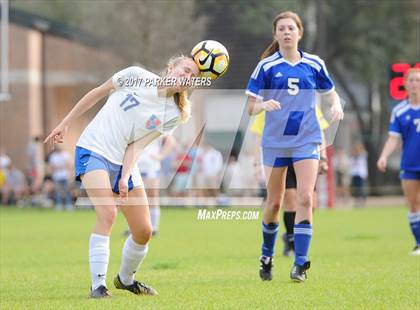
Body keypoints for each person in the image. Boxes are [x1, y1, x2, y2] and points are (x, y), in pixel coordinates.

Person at [44, 55, 199, 298]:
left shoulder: (175, 114)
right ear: (171, 66)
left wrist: (125, 175)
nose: (187, 77)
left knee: (144, 230)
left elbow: (136, 147)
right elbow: (98, 92)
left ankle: (126, 280)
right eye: (185, 70)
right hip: (93, 149)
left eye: (193, 76)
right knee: (108, 214)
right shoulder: (136, 75)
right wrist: (65, 123)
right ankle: (97, 287)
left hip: (122, 160)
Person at [246, 11, 343, 282]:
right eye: (281, 29)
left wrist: (335, 104)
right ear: (275, 35)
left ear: (299, 32)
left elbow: (330, 91)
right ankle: (267, 254)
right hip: (276, 143)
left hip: (306, 139)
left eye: (291, 28)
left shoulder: (314, 64)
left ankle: (300, 263)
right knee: (275, 203)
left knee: (305, 198)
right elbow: (251, 106)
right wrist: (263, 105)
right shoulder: (265, 67)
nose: (287, 32)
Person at [249, 105, 329, 259]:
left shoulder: (307, 99)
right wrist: (257, 163)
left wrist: (323, 157)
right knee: (290, 200)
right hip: (280, 155)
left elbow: (320, 132)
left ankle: (292, 236)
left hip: (306, 155)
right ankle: (292, 241)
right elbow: (258, 136)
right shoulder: (270, 103)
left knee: (309, 202)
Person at [377, 68, 420, 256]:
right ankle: (419, 244)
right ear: (405, 83)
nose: (414, 83)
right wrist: (384, 156)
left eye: (418, 80)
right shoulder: (399, 110)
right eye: (411, 80)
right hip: (410, 164)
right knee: (413, 203)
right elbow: (393, 138)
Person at [48, 146, 73, 211]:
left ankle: (68, 204)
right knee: (58, 191)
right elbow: (52, 166)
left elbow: (69, 165)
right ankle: (58, 204)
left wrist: (70, 175)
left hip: (65, 175)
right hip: (57, 176)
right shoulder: (53, 156)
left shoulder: (65, 154)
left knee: (67, 191)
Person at [349, 143, 368, 208]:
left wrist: (359, 150)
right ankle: (356, 202)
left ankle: (363, 202)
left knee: (362, 189)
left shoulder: (362, 156)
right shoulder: (352, 157)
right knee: (355, 190)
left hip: (361, 175)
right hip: (354, 174)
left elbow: (363, 153)